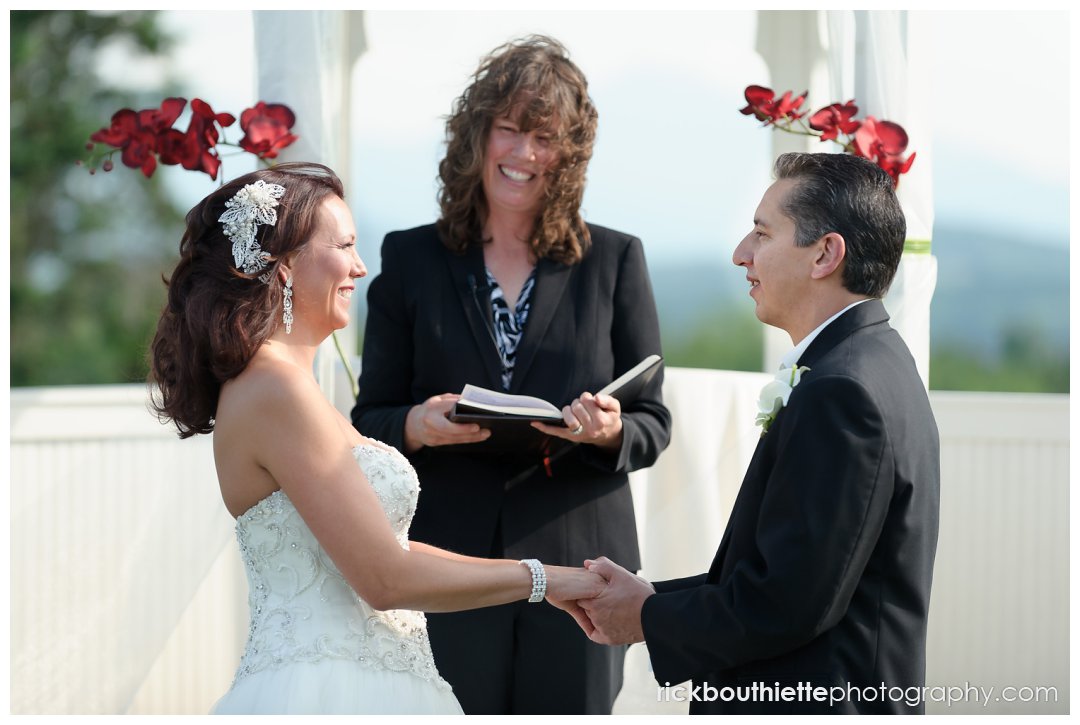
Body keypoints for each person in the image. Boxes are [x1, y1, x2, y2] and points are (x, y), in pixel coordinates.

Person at [148, 162, 604, 715]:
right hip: (325, 693)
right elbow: (385, 578)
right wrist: (541, 579)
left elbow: (388, 551)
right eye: (344, 246)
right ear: (286, 266)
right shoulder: (274, 389)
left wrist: (545, 579)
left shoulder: (292, 389)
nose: (360, 267)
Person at [350, 36, 671, 714]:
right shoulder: (410, 259)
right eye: (511, 129)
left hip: (583, 567)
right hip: (451, 561)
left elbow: (653, 423)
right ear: (478, 135)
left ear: (569, 155)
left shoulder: (614, 260)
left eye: (545, 138)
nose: (524, 154)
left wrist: (610, 432)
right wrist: (417, 425)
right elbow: (369, 415)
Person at [561, 152, 940, 714]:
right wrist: (649, 597)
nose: (742, 254)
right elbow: (789, 571)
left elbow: (788, 603)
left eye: (762, 234)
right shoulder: (873, 359)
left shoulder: (843, 392)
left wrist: (645, 617)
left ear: (825, 254)